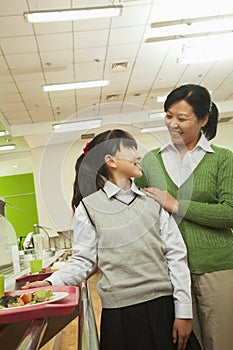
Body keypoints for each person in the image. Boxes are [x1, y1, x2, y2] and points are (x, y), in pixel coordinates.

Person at [22, 129, 201, 350]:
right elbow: (84, 261)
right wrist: (51, 283)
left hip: (162, 307)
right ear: (111, 161)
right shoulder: (89, 207)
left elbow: (176, 255)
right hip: (120, 314)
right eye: (130, 149)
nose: (138, 155)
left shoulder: (154, 201)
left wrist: (184, 312)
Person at [135, 84, 233, 350]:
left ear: (203, 120)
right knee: (187, 345)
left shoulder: (222, 159)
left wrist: (178, 205)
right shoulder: (149, 162)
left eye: (182, 118)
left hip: (217, 267)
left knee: (221, 341)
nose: (173, 124)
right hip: (170, 273)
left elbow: (230, 213)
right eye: (168, 116)